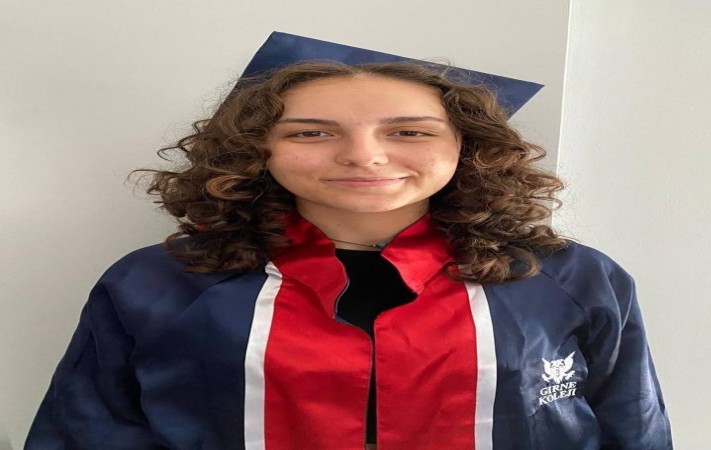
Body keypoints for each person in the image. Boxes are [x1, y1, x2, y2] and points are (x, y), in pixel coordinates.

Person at [25, 58, 672, 449]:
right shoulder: (160, 281)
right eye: (312, 132)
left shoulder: (567, 277)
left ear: (467, 146)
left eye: (408, 131)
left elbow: (631, 426)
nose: (364, 156)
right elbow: (89, 431)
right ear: (257, 148)